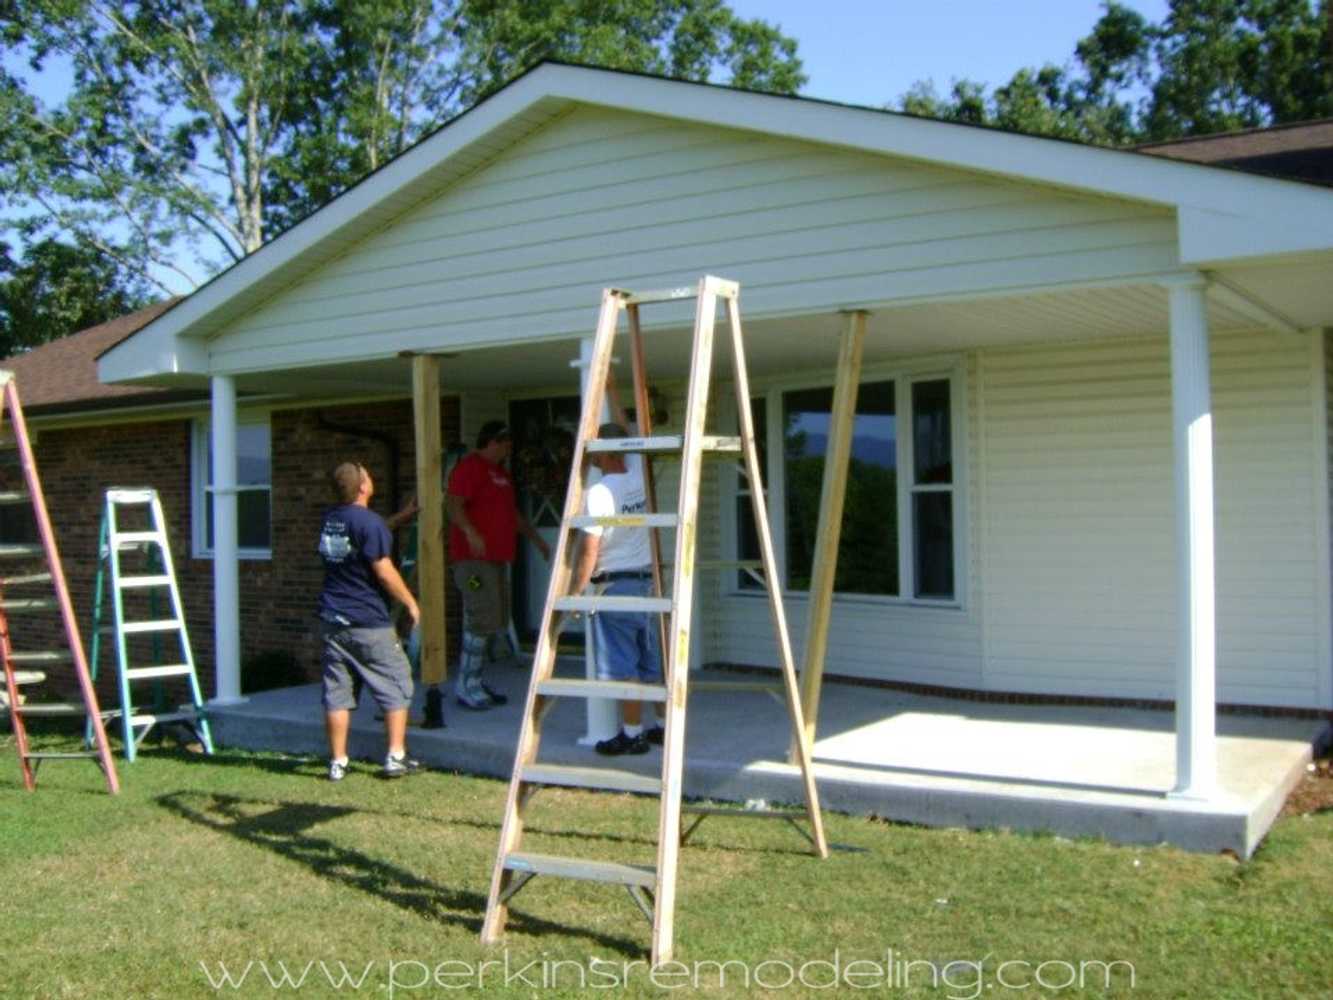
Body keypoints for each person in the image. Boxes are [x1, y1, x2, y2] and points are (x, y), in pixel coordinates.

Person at [317, 461, 422, 780]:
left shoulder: (331, 520)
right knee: (396, 681)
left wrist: (400, 519)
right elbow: (384, 571)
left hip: (333, 621)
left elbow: (359, 537)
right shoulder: (370, 523)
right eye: (368, 475)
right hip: (368, 620)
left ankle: (338, 762)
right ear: (363, 487)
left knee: (337, 692)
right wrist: (410, 603)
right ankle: (395, 756)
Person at [570, 421, 666, 756]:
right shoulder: (639, 475)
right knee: (650, 661)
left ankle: (633, 734)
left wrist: (577, 591)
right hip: (646, 585)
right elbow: (630, 434)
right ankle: (660, 728)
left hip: (616, 587)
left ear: (605, 453)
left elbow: (590, 548)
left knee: (624, 666)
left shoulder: (599, 493)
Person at [447, 420, 551, 709]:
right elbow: (453, 503)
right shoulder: (470, 468)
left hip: (495, 560)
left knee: (493, 618)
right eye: (505, 443)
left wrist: (538, 540)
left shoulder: (500, 474)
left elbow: (512, 515)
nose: (509, 448)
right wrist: (470, 531)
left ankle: (476, 681)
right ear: (492, 441)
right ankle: (465, 685)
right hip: (472, 564)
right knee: (480, 616)